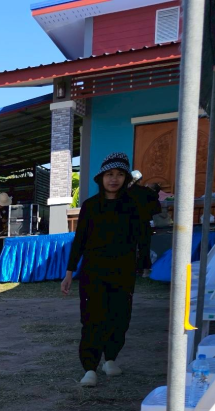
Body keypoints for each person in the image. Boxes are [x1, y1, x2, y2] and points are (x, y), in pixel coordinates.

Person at [61, 152, 143, 386]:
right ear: (101, 178)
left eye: (119, 175)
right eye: (109, 174)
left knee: (119, 317)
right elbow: (79, 240)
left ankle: (111, 359)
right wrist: (69, 272)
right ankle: (90, 368)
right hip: (93, 273)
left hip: (123, 273)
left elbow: (141, 237)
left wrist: (143, 264)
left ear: (126, 179)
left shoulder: (132, 206)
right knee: (92, 319)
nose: (114, 179)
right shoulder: (90, 206)